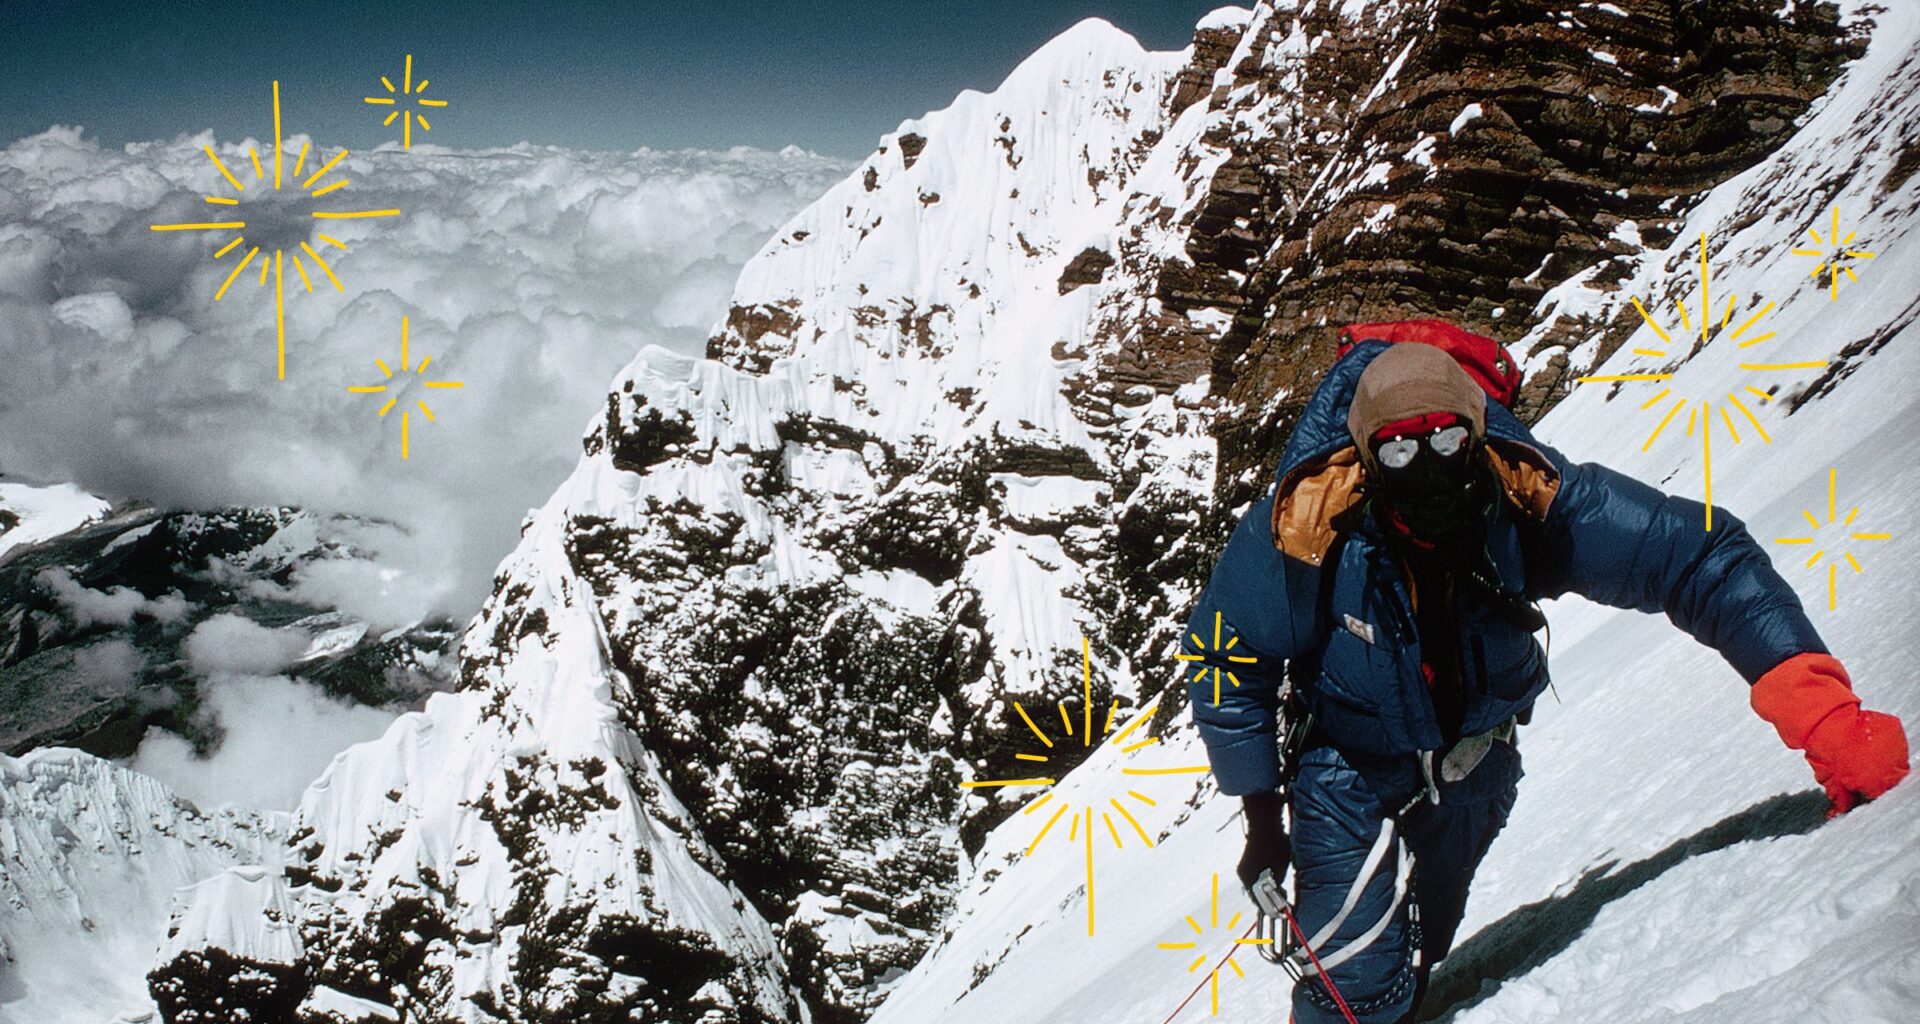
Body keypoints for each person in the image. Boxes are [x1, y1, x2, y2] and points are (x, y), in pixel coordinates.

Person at [1181, 326, 1909, 1024]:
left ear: (1475, 435)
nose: (1427, 466)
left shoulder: (1530, 500)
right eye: (1401, 453)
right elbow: (1223, 653)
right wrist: (1261, 818)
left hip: (1473, 756)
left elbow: (1697, 558)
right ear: (1367, 461)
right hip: (1347, 761)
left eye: (1445, 440)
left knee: (1418, 947)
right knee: (1356, 985)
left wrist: (1825, 716)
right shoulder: (1304, 529)